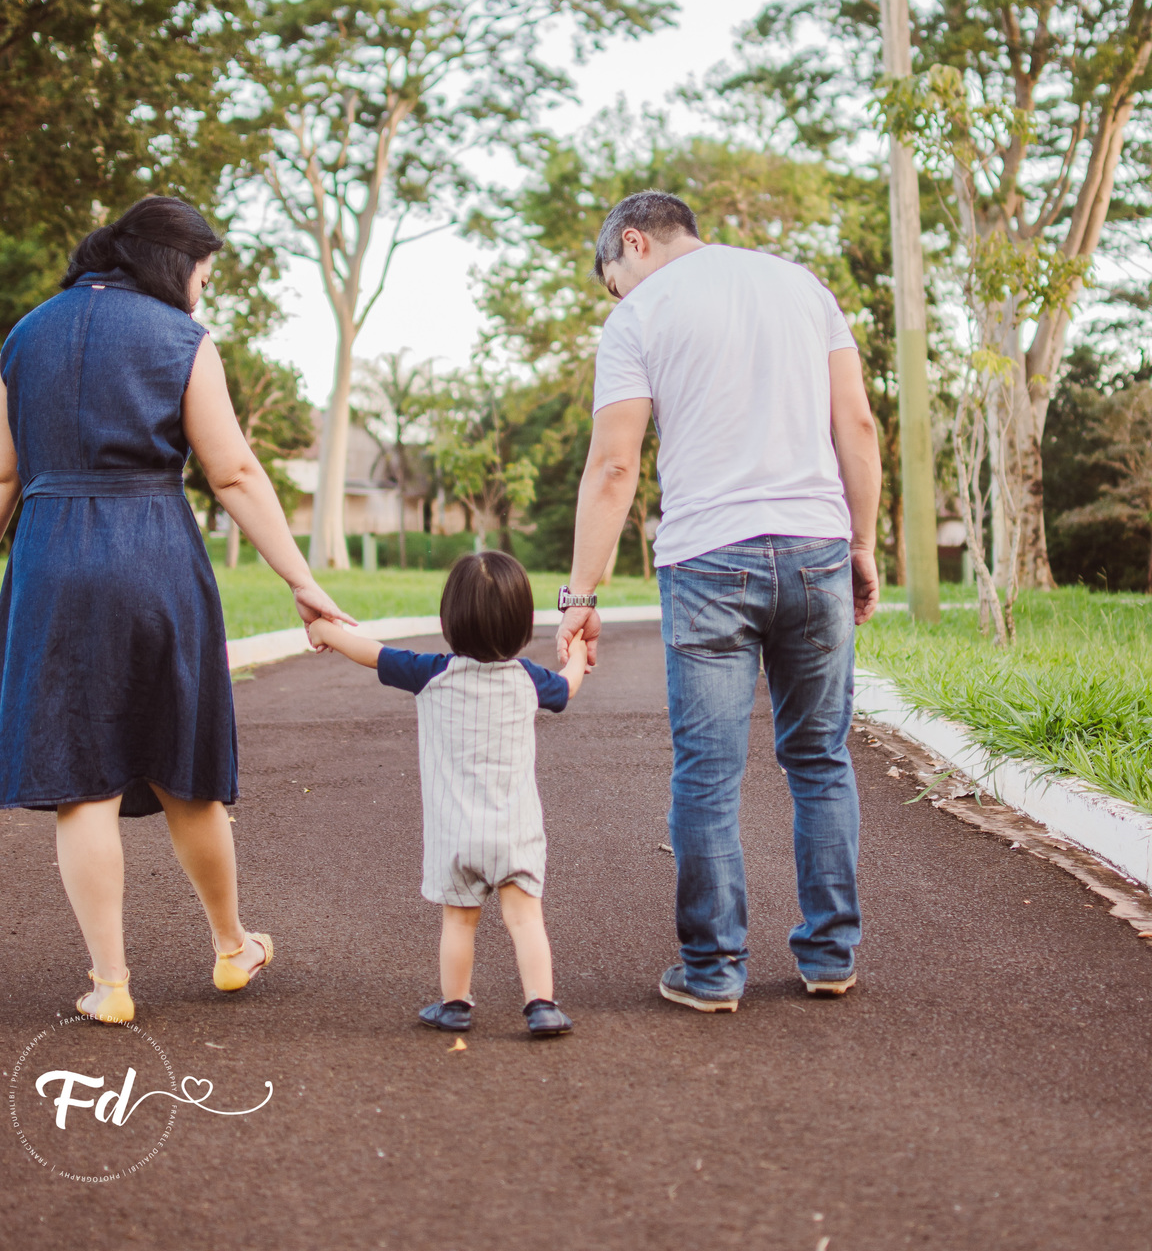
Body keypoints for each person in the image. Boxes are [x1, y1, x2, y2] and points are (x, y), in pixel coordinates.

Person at [0, 196, 350, 1024]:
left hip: (52, 554)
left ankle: (110, 983)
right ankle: (231, 946)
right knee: (183, 770)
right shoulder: (183, 340)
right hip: (154, 555)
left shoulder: (24, 338)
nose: (203, 294)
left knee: (81, 782)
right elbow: (235, 472)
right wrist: (300, 579)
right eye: (204, 275)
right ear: (176, 265)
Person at [555, 191, 882, 1012]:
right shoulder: (802, 286)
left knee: (707, 773)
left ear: (632, 243)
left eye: (612, 280)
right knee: (819, 759)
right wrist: (863, 545)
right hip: (814, 551)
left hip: (707, 560)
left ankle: (711, 973)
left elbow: (614, 467)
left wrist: (579, 594)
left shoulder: (639, 318)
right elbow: (859, 424)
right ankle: (831, 955)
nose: (617, 298)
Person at [310, 550, 588, 1037]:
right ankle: (541, 1004)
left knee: (459, 923)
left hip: (454, 835)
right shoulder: (529, 679)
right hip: (516, 830)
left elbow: (370, 651)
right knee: (525, 920)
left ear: (448, 619)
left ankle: (455, 1004)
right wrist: (580, 647)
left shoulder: (430, 672)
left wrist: (324, 630)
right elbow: (569, 685)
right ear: (523, 624)